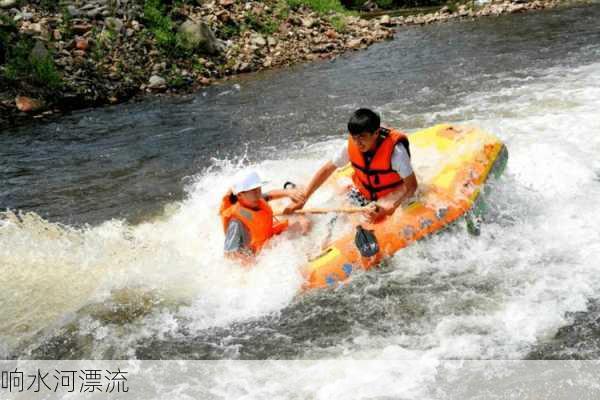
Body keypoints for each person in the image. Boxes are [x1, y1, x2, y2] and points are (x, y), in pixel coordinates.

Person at [285, 108, 418, 223]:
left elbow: (412, 187)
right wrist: (304, 198)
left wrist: (390, 209)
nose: (357, 142)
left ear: (376, 133)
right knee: (336, 220)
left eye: (362, 137)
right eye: (354, 137)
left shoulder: (396, 153)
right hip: (362, 192)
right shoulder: (350, 146)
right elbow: (327, 169)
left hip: (392, 194)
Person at [220, 171, 310, 259]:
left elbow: (270, 194)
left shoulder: (254, 199)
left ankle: (306, 248)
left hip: (268, 238)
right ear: (240, 195)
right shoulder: (236, 221)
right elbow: (229, 254)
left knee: (303, 221)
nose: (258, 193)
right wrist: (253, 265)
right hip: (258, 255)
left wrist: (289, 192)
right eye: (253, 190)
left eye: (259, 188)